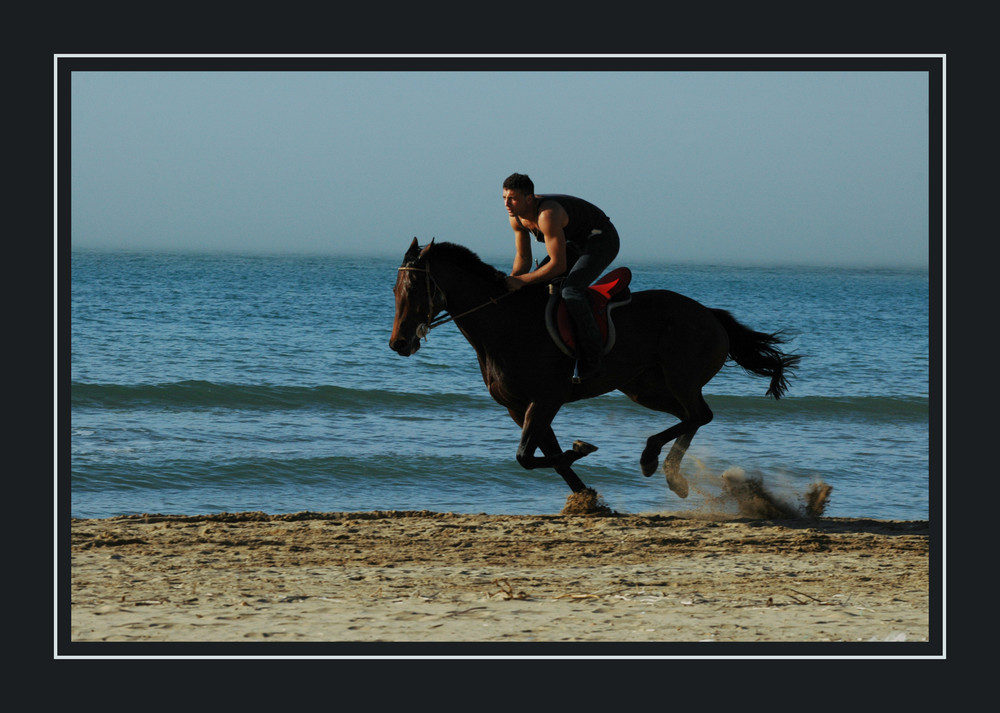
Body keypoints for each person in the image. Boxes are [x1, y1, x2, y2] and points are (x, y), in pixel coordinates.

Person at [501, 173, 621, 381]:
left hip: (601, 240)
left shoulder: (547, 215)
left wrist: (520, 281)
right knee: (531, 288)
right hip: (574, 243)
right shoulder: (516, 217)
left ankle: (594, 358)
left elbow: (558, 266)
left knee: (571, 291)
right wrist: (512, 283)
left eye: (512, 198)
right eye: (504, 198)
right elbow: (522, 258)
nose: (507, 204)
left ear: (529, 199)